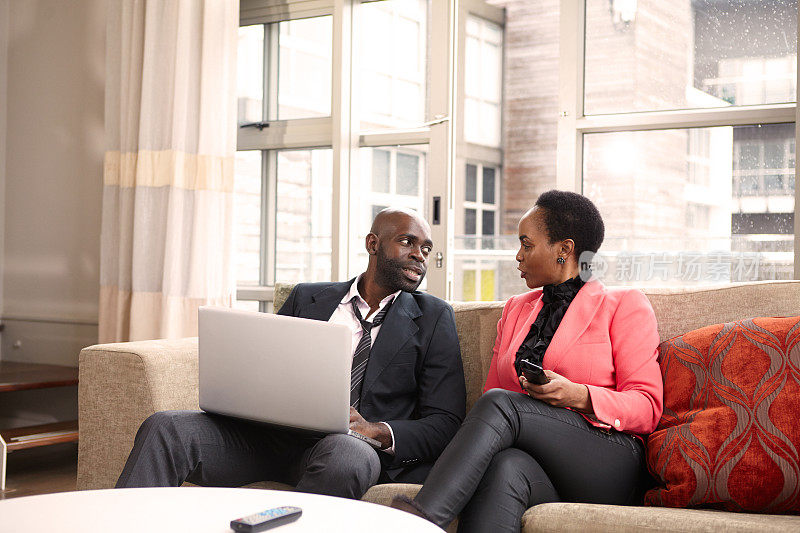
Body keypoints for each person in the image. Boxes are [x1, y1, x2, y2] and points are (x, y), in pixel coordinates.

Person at [116, 208, 466, 499]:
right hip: (266, 439)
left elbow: (446, 422)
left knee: (346, 457)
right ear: (373, 244)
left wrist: (376, 430)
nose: (419, 255)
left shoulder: (433, 318)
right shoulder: (307, 297)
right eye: (408, 242)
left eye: (427, 248)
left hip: (345, 448)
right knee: (166, 427)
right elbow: (264, 368)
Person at [392, 191, 663, 532]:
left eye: (527, 244)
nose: (517, 256)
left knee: (501, 405)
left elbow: (647, 406)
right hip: (536, 463)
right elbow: (492, 397)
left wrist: (578, 394)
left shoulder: (624, 305)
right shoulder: (516, 309)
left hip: (608, 460)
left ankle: (421, 520)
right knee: (506, 468)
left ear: (564, 249)